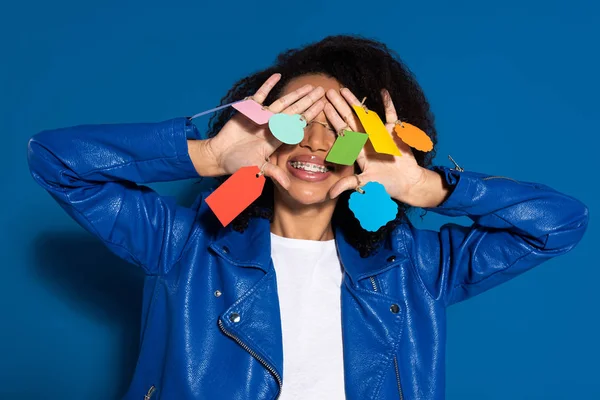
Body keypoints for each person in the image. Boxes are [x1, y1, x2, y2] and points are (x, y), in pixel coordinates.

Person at [27, 35, 588, 400]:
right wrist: (208, 156)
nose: (317, 142)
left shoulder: (417, 266)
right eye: (294, 120)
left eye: (341, 125)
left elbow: (559, 223)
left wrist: (422, 186)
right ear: (256, 131)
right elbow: (55, 161)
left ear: (371, 145)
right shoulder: (183, 245)